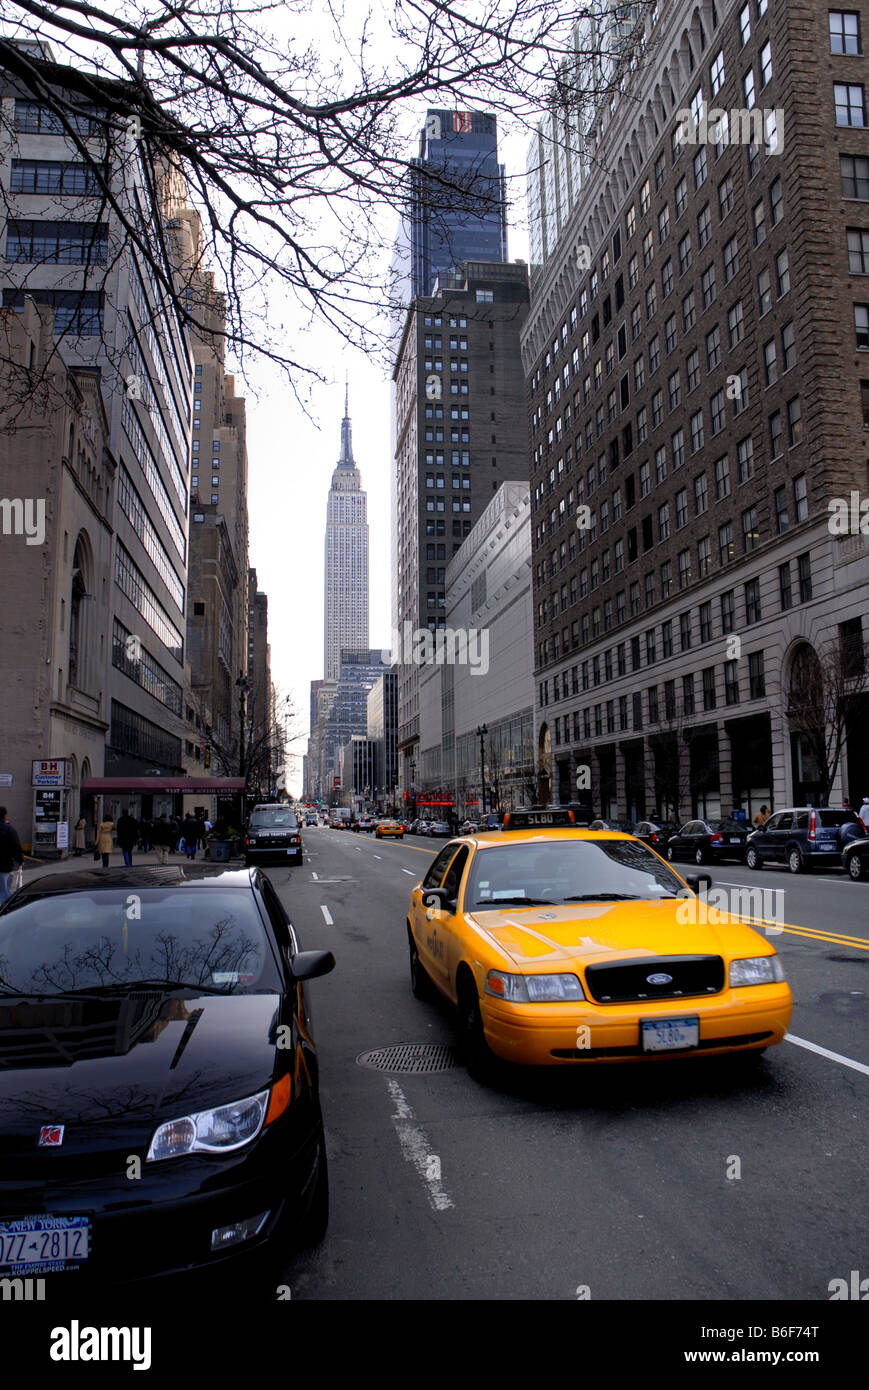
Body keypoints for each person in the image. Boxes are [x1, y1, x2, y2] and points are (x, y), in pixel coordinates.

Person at [0, 807, 24, 906]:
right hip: (4, 865)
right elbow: (16, 847)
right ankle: (4, 914)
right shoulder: (9, 830)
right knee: (4, 891)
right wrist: (20, 860)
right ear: (5, 815)